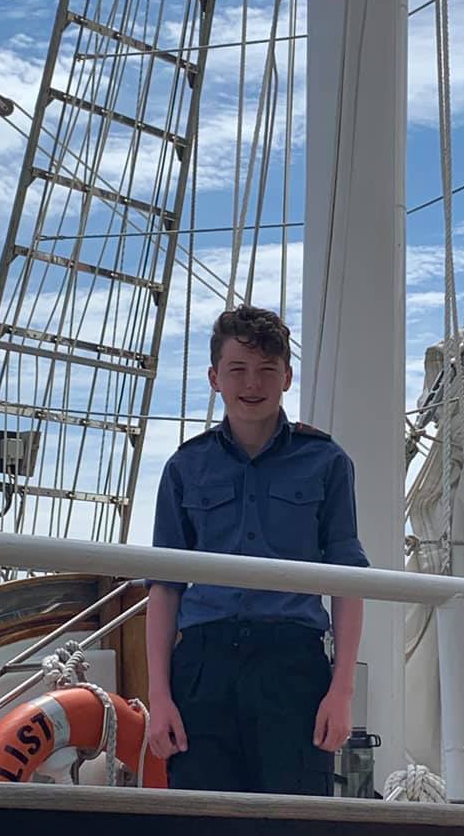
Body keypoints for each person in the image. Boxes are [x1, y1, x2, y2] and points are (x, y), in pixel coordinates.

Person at [145, 304, 369, 795]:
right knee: (203, 819)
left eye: (268, 369)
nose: (253, 383)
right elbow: (164, 588)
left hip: (291, 666)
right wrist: (158, 697)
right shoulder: (185, 468)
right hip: (204, 667)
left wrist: (342, 690)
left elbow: (349, 580)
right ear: (214, 377)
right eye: (238, 369)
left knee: (296, 817)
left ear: (287, 377)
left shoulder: (327, 463)